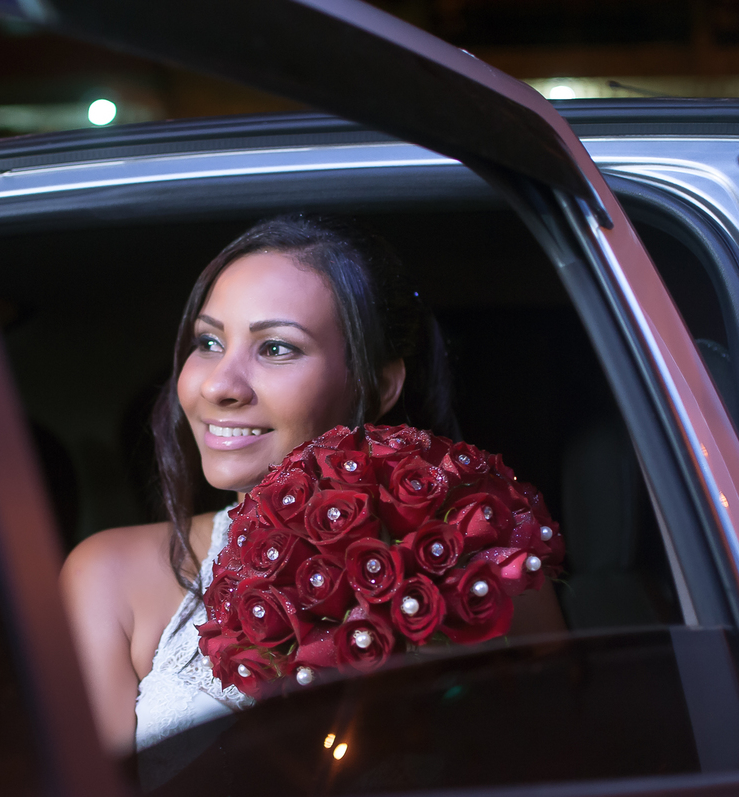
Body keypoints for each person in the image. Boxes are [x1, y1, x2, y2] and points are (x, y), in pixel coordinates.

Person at [60, 213, 563, 756]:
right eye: (208, 342)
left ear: (376, 384)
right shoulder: (111, 575)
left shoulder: (474, 563)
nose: (218, 385)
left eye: (276, 348)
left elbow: (554, 754)